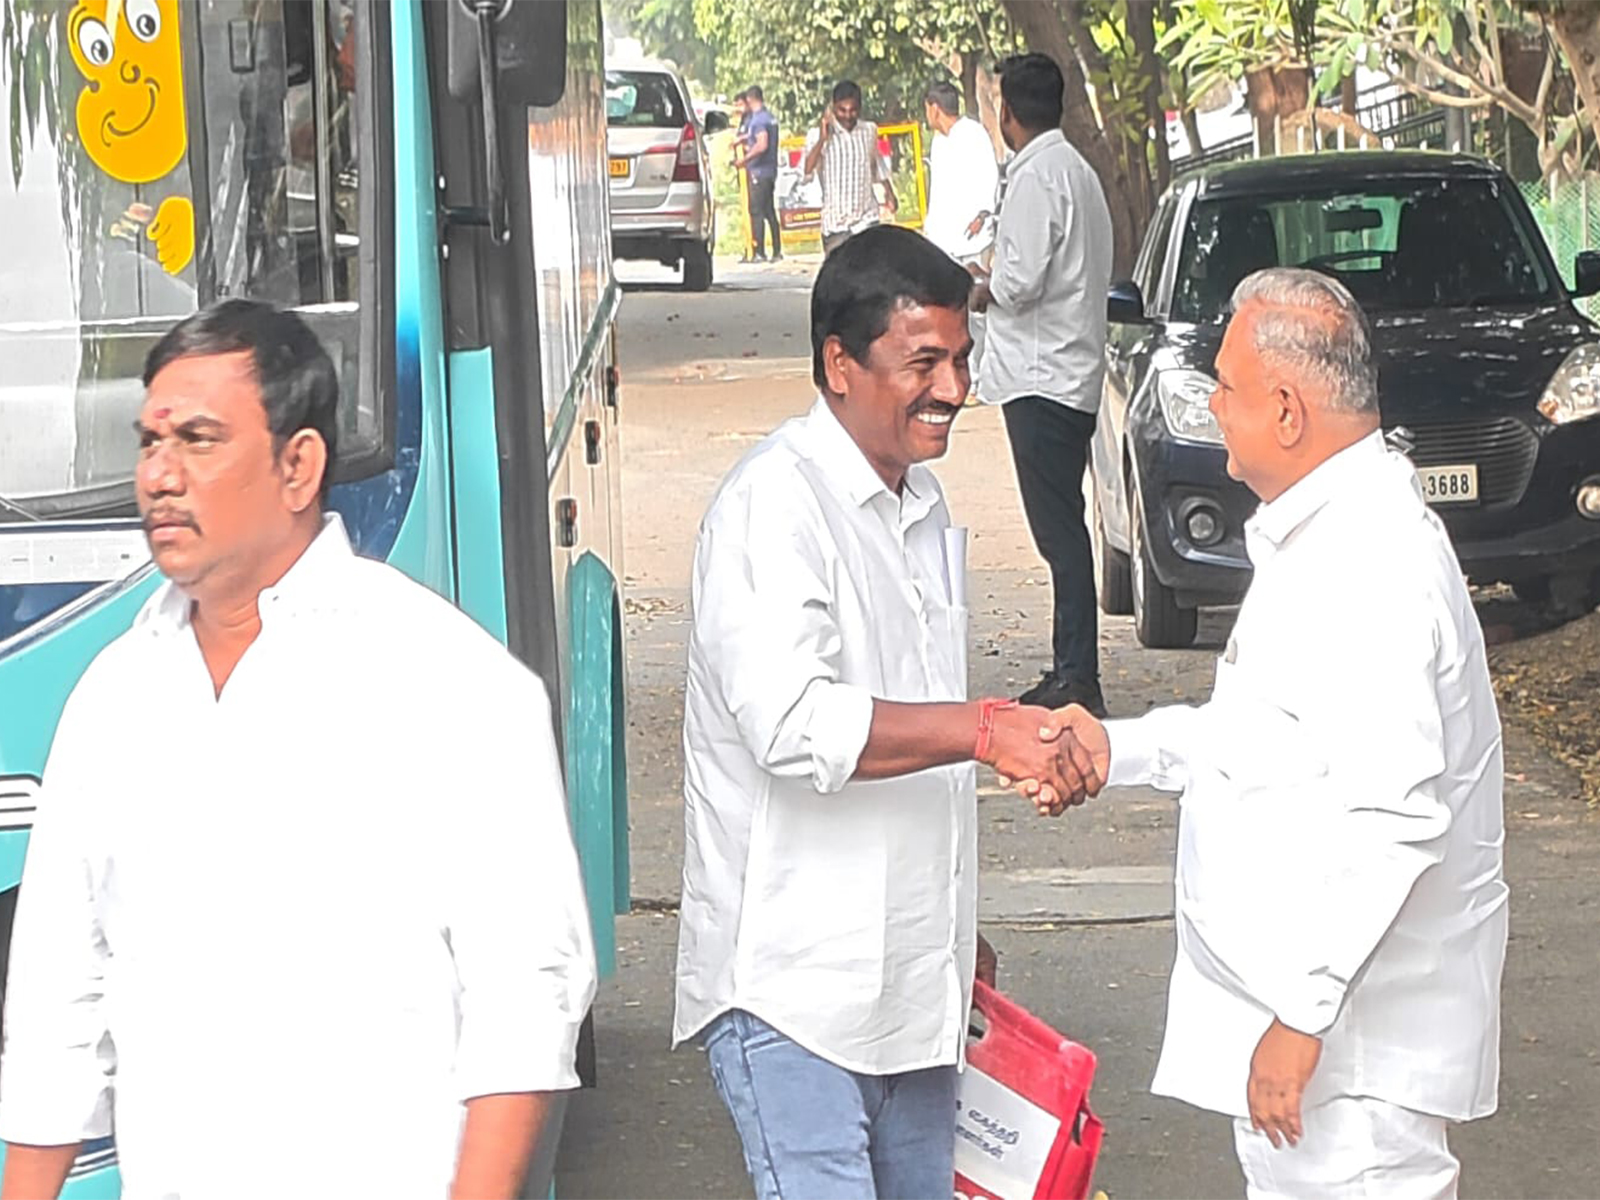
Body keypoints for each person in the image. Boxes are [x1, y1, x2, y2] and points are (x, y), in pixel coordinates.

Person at [0, 301, 598, 1200]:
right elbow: (59, 1012)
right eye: (149, 442)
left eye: (199, 440)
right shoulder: (113, 703)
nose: (161, 475)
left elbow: (524, 1002)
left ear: (298, 465)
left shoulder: (448, 684)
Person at [1041, 269, 1508, 1200]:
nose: (1211, 406)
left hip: (1355, 1059)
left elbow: (1396, 815)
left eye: (1225, 386)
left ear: (1288, 411)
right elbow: (1262, 738)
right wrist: (1115, 748)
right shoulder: (1323, 537)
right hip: (1323, 1047)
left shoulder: (1371, 559)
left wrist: (1303, 1017)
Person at [673, 226, 1099, 1200]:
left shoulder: (924, 505)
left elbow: (920, 724)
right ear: (838, 362)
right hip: (795, 999)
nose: (953, 388)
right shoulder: (772, 508)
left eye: (960, 359)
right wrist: (989, 729)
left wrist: (952, 924)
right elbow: (795, 726)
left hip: (914, 992)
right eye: (923, 362)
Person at [971, 53, 1113, 716]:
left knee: (1059, 533)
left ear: (1007, 112)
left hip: (1041, 376)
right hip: (1069, 369)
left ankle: (1077, 673)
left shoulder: (1037, 179)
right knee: (1065, 529)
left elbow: (1019, 283)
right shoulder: (1075, 172)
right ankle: (1073, 666)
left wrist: (980, 285)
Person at [921, 79, 999, 384]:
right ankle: (965, 371)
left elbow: (989, 177)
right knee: (952, 309)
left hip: (972, 237)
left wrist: (982, 213)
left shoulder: (973, 134)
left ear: (934, 108)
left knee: (976, 306)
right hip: (944, 240)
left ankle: (982, 374)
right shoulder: (940, 142)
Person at [803, 80, 898, 256]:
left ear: (860, 108)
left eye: (853, 110)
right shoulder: (817, 135)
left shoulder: (869, 130)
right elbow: (806, 171)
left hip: (866, 219)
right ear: (833, 108)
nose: (847, 116)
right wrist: (823, 139)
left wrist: (889, 192)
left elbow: (876, 165)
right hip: (836, 225)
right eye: (842, 110)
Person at [735, 85, 782, 262]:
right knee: (769, 211)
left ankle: (759, 252)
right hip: (770, 170)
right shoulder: (769, 117)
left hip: (759, 171)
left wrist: (744, 159)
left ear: (749, 100)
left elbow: (762, 144)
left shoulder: (757, 120)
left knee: (756, 211)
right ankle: (777, 251)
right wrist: (743, 139)